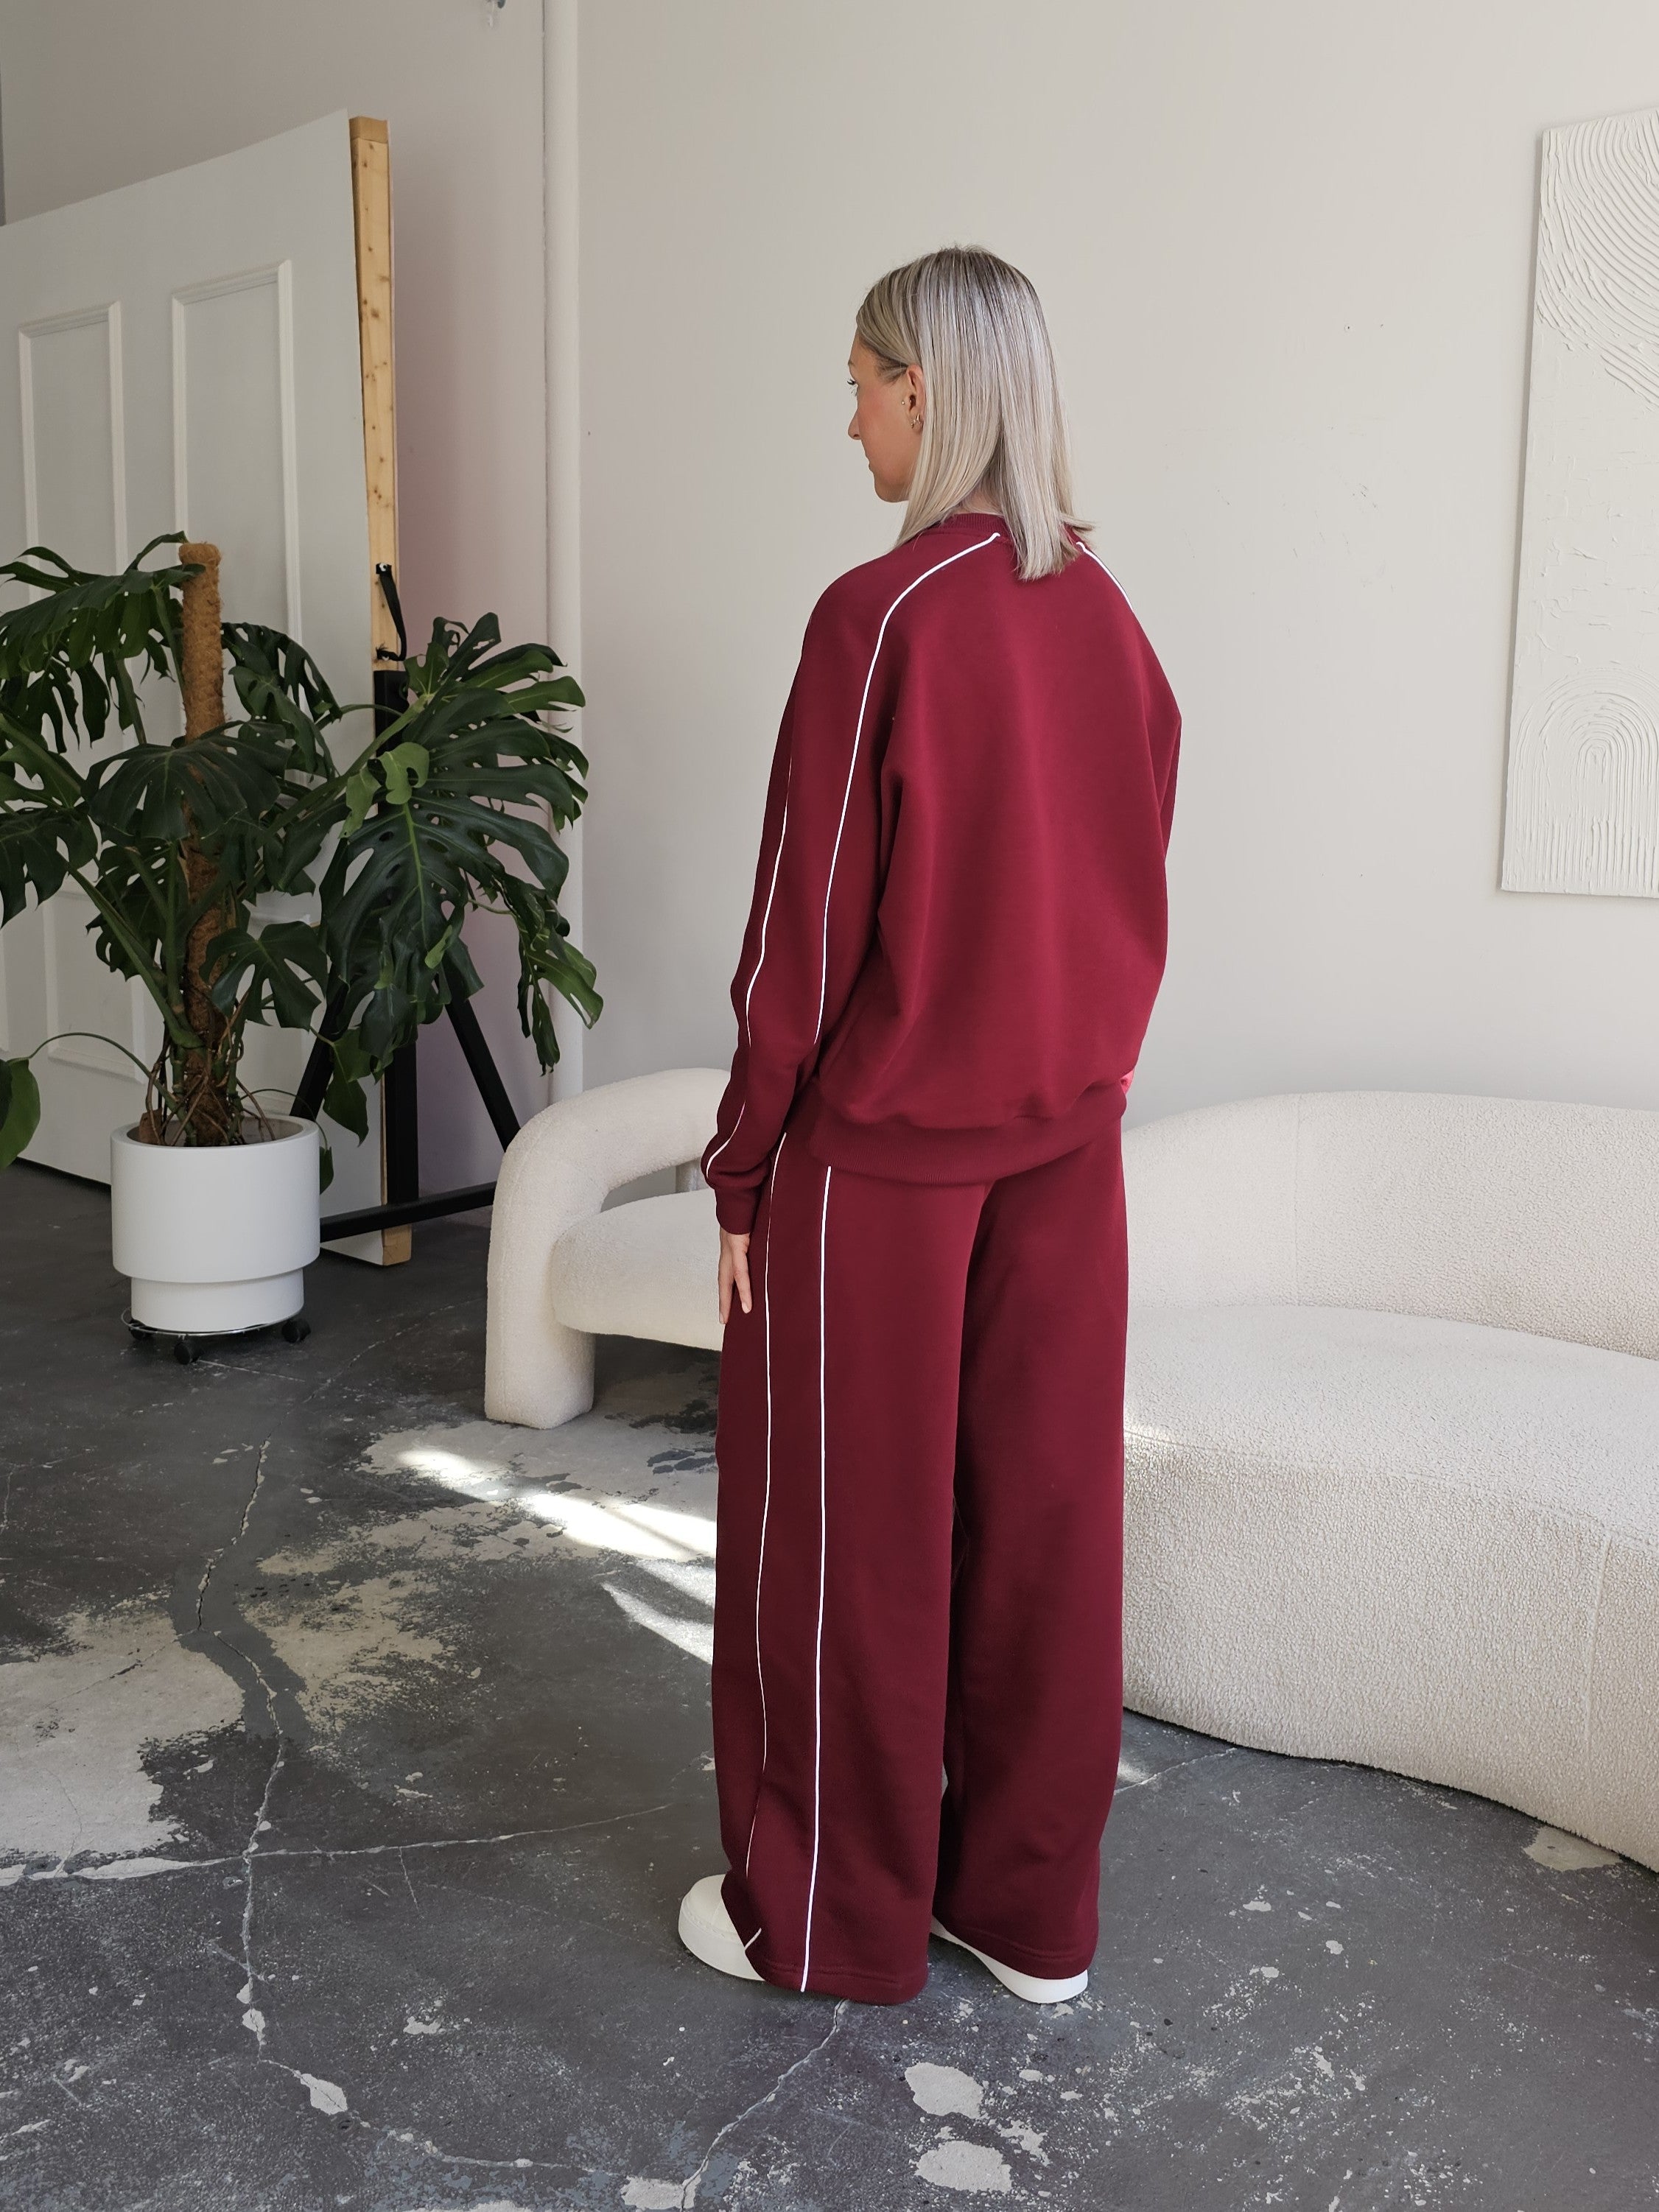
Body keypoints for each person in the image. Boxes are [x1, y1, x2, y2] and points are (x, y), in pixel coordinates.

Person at [677, 246, 1180, 2007]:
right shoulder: (1109, 620)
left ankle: (826, 1918)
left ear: (927, 388)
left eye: (860, 383)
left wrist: (741, 1166)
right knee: (1046, 1531)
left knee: (845, 1546)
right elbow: (1131, 875)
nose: (850, 421)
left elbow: (802, 929)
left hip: (881, 1171)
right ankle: (1030, 1917)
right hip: (1070, 1155)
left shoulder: (878, 615)